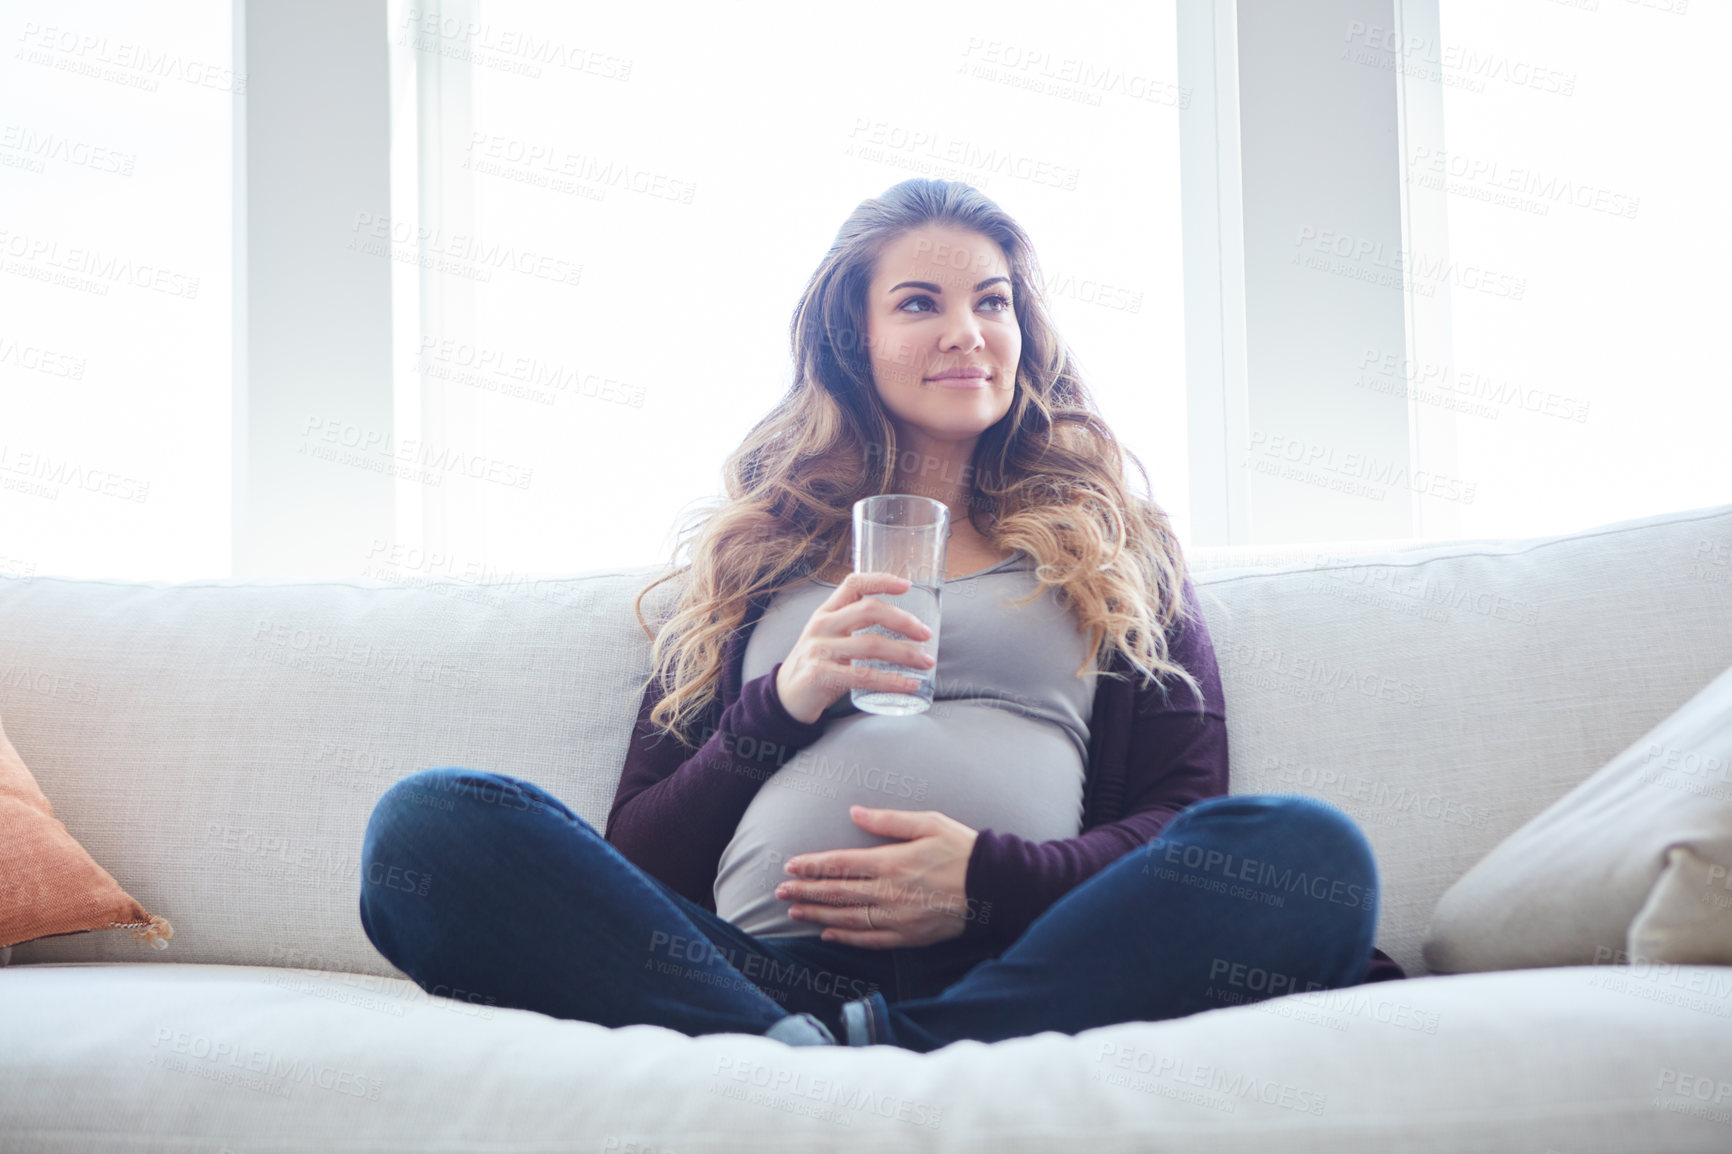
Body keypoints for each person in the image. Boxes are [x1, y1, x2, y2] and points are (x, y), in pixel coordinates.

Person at [358, 178, 1403, 1053]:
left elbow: (1184, 821)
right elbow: (635, 858)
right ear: (852, 339)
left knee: (1308, 853)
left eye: (993, 302)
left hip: (1022, 964)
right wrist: (781, 701)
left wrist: (985, 881)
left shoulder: (1118, 549)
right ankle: (858, 1048)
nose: (968, 332)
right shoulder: (751, 562)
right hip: (753, 975)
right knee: (432, 823)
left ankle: (866, 1054)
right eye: (919, 303)